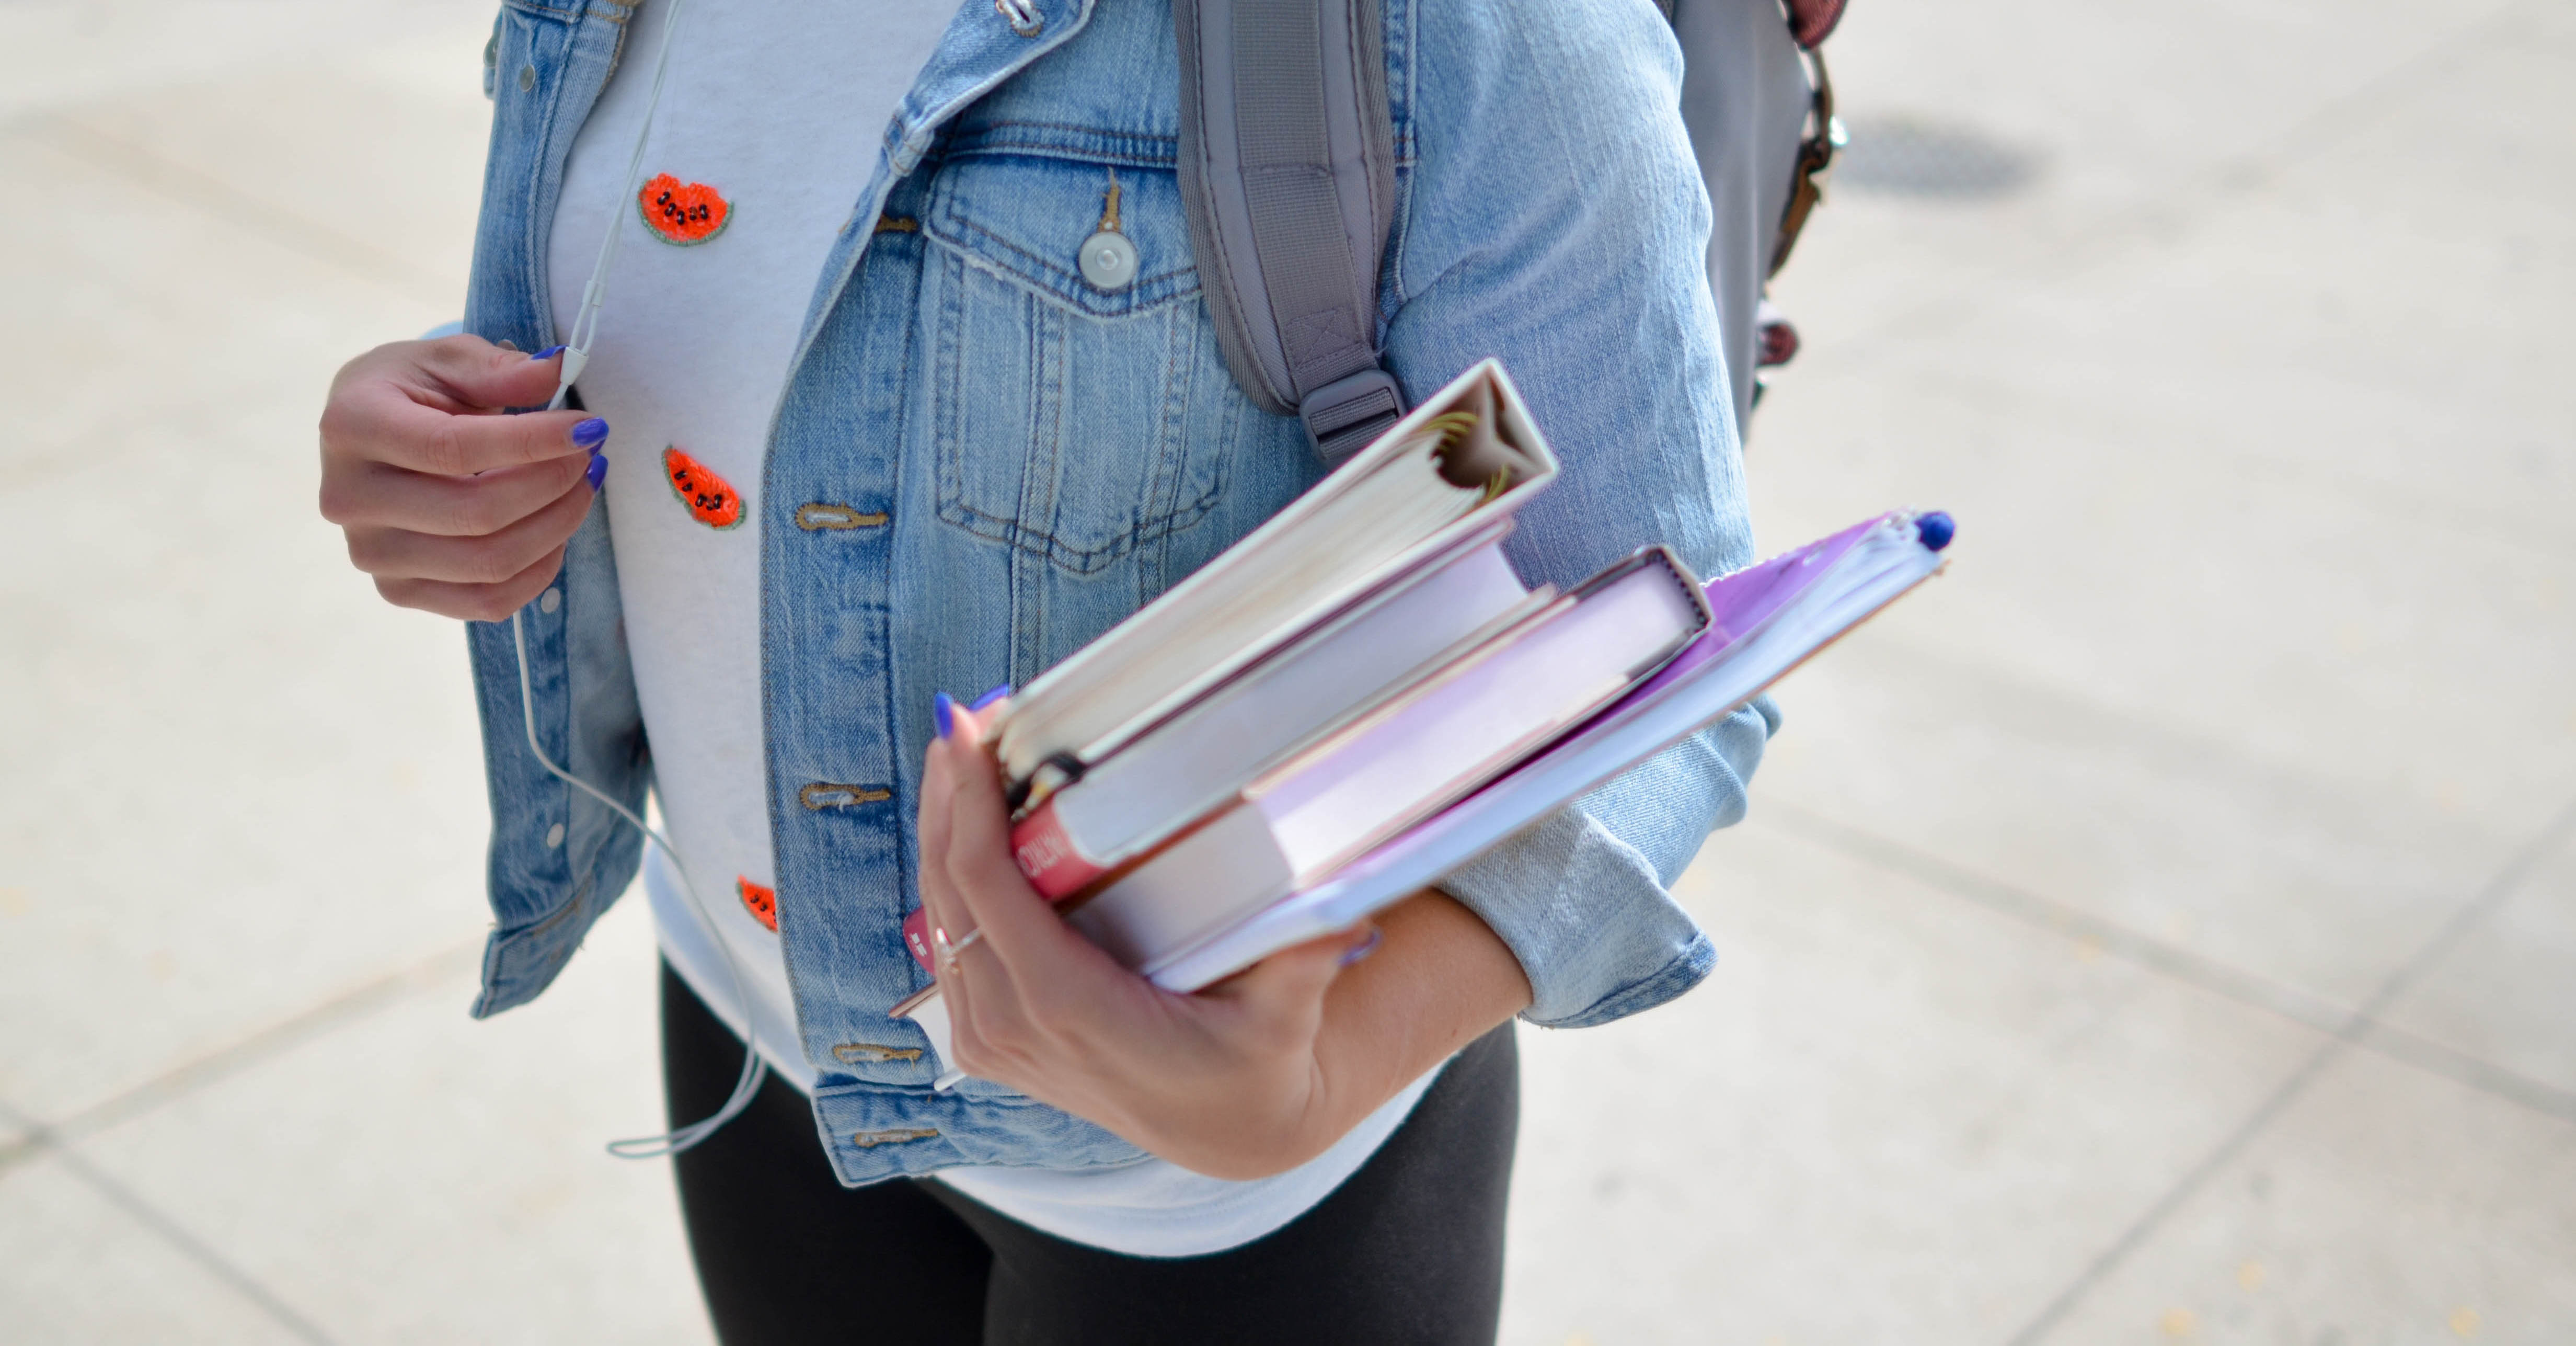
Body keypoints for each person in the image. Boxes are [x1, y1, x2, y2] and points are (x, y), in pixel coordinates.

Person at [315, 0, 1776, 1339]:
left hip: (1225, 1209)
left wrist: (1318, 1077)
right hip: (750, 1029)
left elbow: (1662, 648)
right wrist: (443, 452)